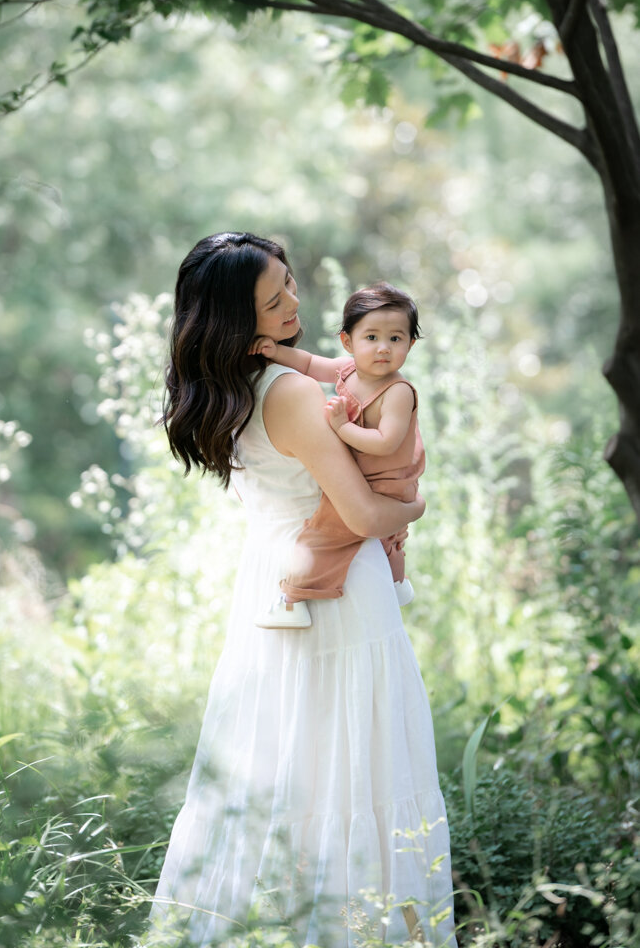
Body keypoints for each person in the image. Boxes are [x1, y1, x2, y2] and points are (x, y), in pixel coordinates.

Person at [150, 232, 457, 947]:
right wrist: (413, 509)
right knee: (355, 773)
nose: (293, 302)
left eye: (289, 283)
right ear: (235, 317)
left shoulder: (228, 388)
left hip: (271, 580)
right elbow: (362, 513)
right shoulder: (292, 392)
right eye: (273, 298)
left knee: (282, 765)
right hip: (339, 598)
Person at [249, 283, 424, 630]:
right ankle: (397, 582)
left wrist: (342, 428)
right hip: (371, 477)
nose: (383, 349)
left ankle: (293, 599)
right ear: (348, 342)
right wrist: (275, 352)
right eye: (371, 338)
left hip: (386, 480)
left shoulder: (397, 391)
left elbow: (386, 441)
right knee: (389, 538)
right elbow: (312, 364)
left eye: (396, 339)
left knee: (326, 535)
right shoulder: (349, 370)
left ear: (411, 344)